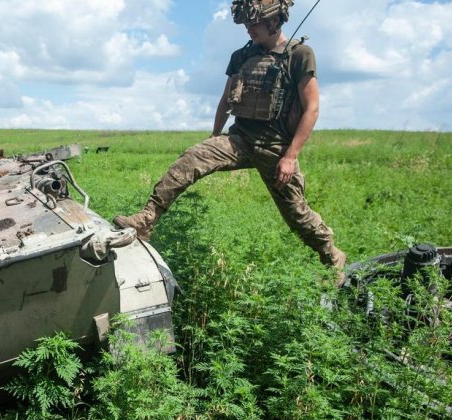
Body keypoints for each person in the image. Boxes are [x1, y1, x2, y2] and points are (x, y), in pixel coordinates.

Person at [114, 0, 346, 274]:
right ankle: (145, 220)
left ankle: (332, 256)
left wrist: (290, 156)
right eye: (245, 24)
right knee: (189, 160)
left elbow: (312, 109)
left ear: (274, 21)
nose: (248, 29)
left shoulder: (299, 55)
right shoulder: (241, 56)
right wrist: (212, 139)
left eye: (254, 23)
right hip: (239, 139)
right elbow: (225, 101)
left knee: (296, 214)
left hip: (276, 147)